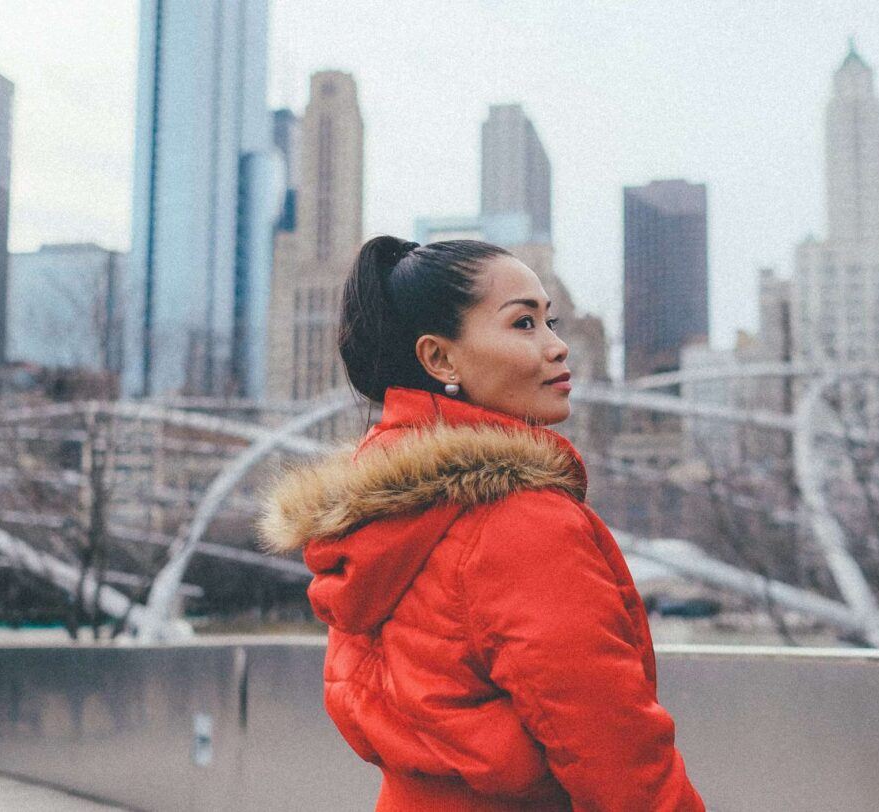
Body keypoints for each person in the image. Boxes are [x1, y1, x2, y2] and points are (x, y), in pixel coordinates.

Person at [259, 236, 705, 811]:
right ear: (439, 358)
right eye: (523, 324)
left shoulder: (373, 523)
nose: (558, 347)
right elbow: (620, 760)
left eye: (551, 321)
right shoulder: (522, 524)